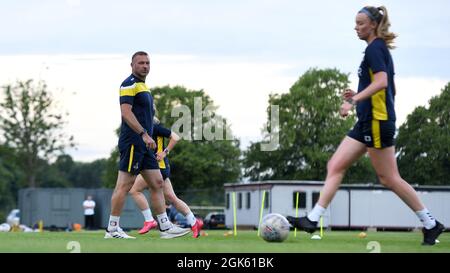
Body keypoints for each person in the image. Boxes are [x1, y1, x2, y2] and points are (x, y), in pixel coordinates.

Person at [287, 6, 445, 246]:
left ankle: (431, 224)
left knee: (389, 178)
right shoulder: (374, 50)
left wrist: (354, 99)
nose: (356, 27)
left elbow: (381, 82)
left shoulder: (375, 49)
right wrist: (360, 95)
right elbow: (389, 87)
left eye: (361, 23)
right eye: (355, 23)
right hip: (366, 123)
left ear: (373, 25)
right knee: (336, 165)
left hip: (377, 123)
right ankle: (312, 219)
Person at [104, 51, 189, 239]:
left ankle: (165, 227)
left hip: (146, 145)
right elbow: (126, 113)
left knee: (157, 183)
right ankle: (112, 229)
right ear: (132, 65)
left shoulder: (144, 86)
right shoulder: (129, 84)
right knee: (124, 186)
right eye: (141, 63)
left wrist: (148, 136)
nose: (145, 66)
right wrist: (143, 133)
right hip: (134, 142)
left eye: (147, 63)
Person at [129, 119, 203, 238]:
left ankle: (149, 220)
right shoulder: (145, 128)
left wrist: (165, 152)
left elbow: (175, 137)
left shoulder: (153, 127)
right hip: (160, 167)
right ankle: (194, 222)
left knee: (134, 190)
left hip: (157, 167)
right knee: (172, 198)